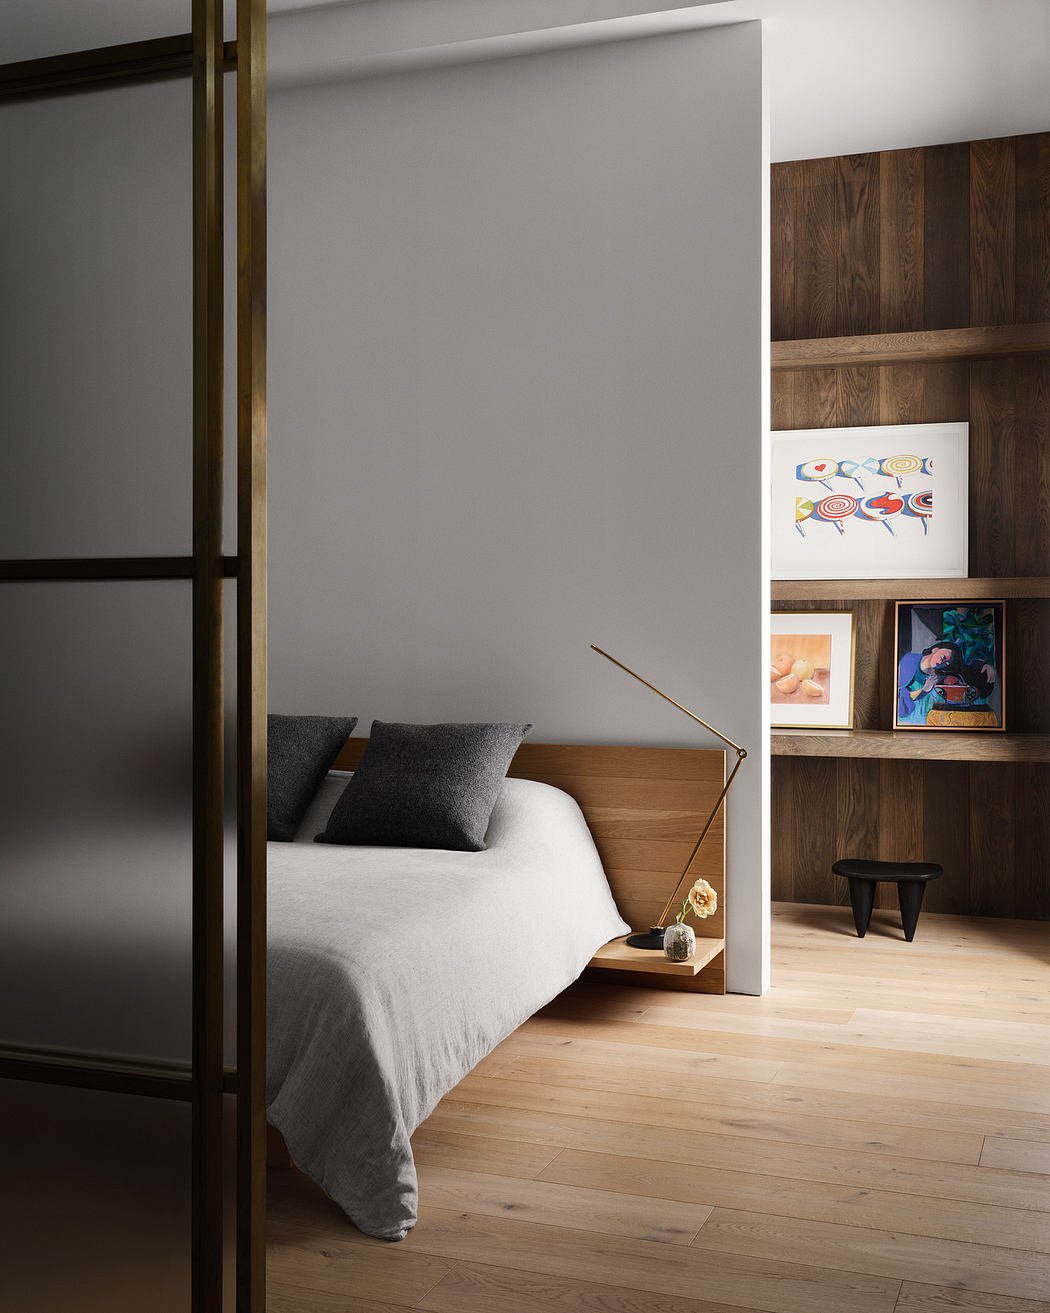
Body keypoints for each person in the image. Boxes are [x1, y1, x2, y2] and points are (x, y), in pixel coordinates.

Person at [897, 641, 995, 725]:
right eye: (943, 657)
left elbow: (964, 669)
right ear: (935, 649)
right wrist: (923, 691)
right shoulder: (908, 661)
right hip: (907, 723)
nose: (942, 663)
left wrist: (984, 665)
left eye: (946, 663)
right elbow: (899, 700)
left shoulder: (938, 675)